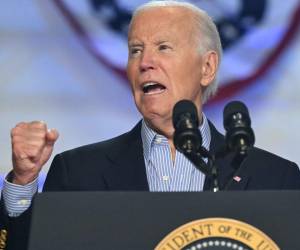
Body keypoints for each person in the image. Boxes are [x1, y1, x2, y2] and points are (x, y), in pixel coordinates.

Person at [1, 1, 300, 249]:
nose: (145, 62)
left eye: (163, 47)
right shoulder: (78, 171)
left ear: (207, 67)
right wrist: (24, 182)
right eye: (135, 50)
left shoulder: (275, 178)